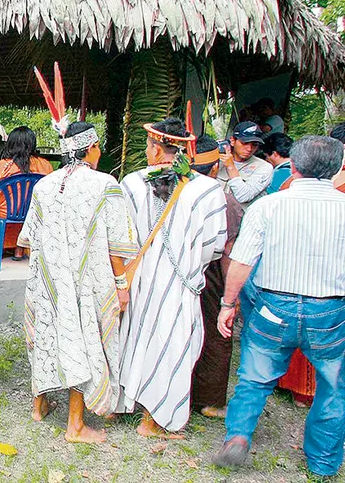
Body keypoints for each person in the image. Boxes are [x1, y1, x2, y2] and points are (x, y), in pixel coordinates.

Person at [213, 136, 345, 478]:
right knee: (333, 387)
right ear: (336, 168)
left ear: (293, 167)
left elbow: (241, 262)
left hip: (273, 308)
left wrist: (228, 304)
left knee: (254, 379)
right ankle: (323, 463)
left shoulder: (268, 206)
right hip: (329, 312)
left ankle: (238, 436)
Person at [19, 121, 137, 444]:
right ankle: (75, 425)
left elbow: (29, 237)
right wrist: (122, 284)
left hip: (47, 280)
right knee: (83, 339)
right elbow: (117, 246)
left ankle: (39, 406)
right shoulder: (105, 184)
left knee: (47, 334)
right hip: (86, 283)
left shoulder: (44, 185)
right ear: (92, 148)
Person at [117, 117, 227, 438]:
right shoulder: (209, 190)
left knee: (135, 339)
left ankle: (130, 404)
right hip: (182, 284)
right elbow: (215, 246)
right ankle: (155, 420)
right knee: (174, 346)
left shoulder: (132, 184)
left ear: (154, 148)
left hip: (139, 280)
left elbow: (122, 238)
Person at [188, 137, 244, 419]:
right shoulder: (223, 199)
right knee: (216, 332)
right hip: (210, 272)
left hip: (178, 270)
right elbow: (228, 251)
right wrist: (230, 298)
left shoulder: (171, 190)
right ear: (213, 169)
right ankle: (209, 400)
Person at [0, 126, 53, 261]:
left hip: (5, 212)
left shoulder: (5, 165)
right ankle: (19, 249)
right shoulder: (45, 165)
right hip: (33, 211)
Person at [217, 121, 273, 205]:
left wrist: (231, 167)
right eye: (245, 143)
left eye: (254, 145)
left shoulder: (264, 167)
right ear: (232, 141)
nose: (249, 149)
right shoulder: (219, 160)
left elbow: (243, 196)